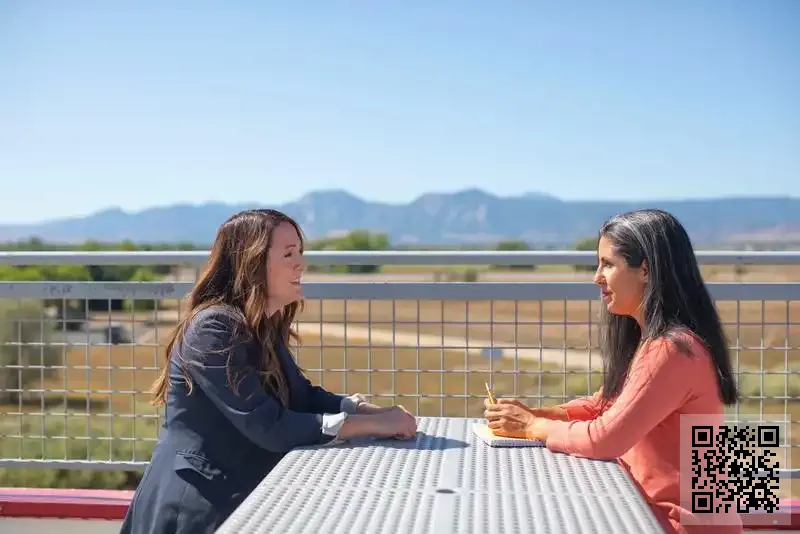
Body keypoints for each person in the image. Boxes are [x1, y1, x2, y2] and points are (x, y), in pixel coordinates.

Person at [121, 209, 417, 534]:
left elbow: (302, 396)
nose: (300, 264)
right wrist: (371, 425)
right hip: (194, 505)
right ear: (251, 262)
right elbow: (267, 425)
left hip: (233, 494)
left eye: (300, 252)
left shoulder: (261, 324)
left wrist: (366, 409)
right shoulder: (213, 327)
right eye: (289, 254)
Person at [484, 209, 743, 534]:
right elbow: (605, 405)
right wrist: (534, 414)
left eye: (607, 264)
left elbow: (606, 438)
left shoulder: (672, 350)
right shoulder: (656, 341)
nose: (597, 277)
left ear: (645, 270)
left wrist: (534, 426)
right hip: (653, 517)